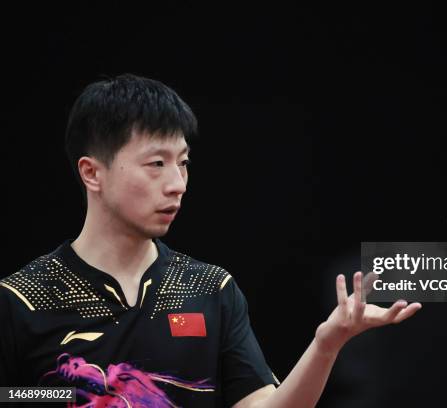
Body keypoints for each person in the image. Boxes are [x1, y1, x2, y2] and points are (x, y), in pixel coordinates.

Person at [0, 74, 421, 408]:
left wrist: (326, 345)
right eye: (157, 164)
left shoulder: (211, 290)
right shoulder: (21, 300)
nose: (177, 183)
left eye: (183, 163)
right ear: (92, 172)